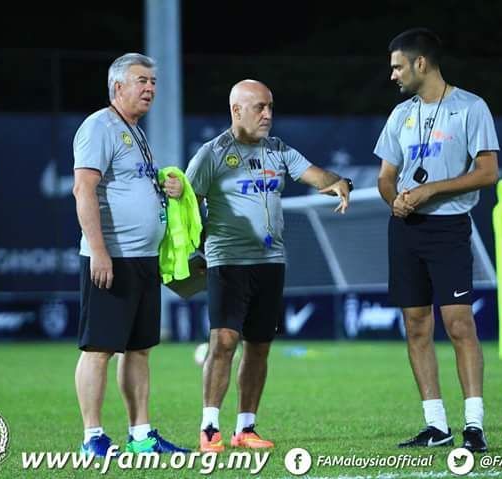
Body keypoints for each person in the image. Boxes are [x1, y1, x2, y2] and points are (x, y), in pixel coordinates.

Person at [186, 79, 353, 452]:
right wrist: (193, 251)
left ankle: (246, 428)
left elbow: (315, 176)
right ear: (236, 111)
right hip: (227, 260)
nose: (268, 115)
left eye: (271, 107)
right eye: (259, 107)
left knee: (259, 345)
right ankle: (210, 428)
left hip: (271, 261)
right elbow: (187, 205)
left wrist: (338, 182)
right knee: (224, 341)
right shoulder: (212, 154)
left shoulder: (278, 150)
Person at [375, 28, 499, 453]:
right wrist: (396, 202)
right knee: (415, 326)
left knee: (460, 324)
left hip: (448, 229)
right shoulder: (400, 115)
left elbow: (487, 172)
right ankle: (436, 425)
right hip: (406, 231)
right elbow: (385, 178)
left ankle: (474, 426)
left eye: (397, 66)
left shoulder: (470, 107)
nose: (392, 75)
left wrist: (430, 190)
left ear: (420, 63)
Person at [72, 53, 189, 456]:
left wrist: (167, 188)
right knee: (99, 348)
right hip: (112, 257)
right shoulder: (99, 126)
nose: (150, 89)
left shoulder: (134, 131)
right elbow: (83, 190)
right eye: (142, 81)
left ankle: (141, 435)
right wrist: (99, 251)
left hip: (143, 258)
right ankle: (93, 438)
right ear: (117, 86)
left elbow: (131, 186)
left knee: (139, 348)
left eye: (153, 82)